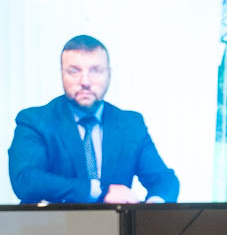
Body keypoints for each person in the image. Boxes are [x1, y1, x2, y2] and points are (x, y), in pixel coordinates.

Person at [8, 34, 179, 204]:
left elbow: (163, 180)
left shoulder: (130, 124)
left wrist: (154, 206)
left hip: (114, 222)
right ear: (61, 74)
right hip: (52, 221)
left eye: (95, 70)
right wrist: (98, 191)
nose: (85, 81)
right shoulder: (35, 121)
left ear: (109, 74)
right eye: (74, 71)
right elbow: (25, 180)